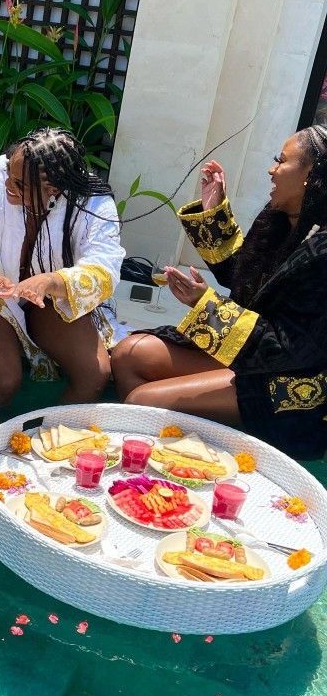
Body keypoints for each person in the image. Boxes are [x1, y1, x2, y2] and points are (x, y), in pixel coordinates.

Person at [111, 126, 327, 460]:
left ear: (309, 176)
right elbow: (243, 280)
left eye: (281, 161)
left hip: (287, 382)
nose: (272, 169)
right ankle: (159, 454)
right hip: (249, 355)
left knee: (143, 401)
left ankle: (175, 467)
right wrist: (213, 211)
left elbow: (289, 350)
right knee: (127, 354)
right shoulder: (279, 218)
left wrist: (206, 307)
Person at [0, 127, 125, 409]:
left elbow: (105, 267)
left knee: (95, 375)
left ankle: (45, 434)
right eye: (8, 172)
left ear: (53, 189)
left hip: (53, 299)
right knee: (5, 379)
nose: (6, 184)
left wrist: (51, 282)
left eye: (18, 184)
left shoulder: (92, 200)